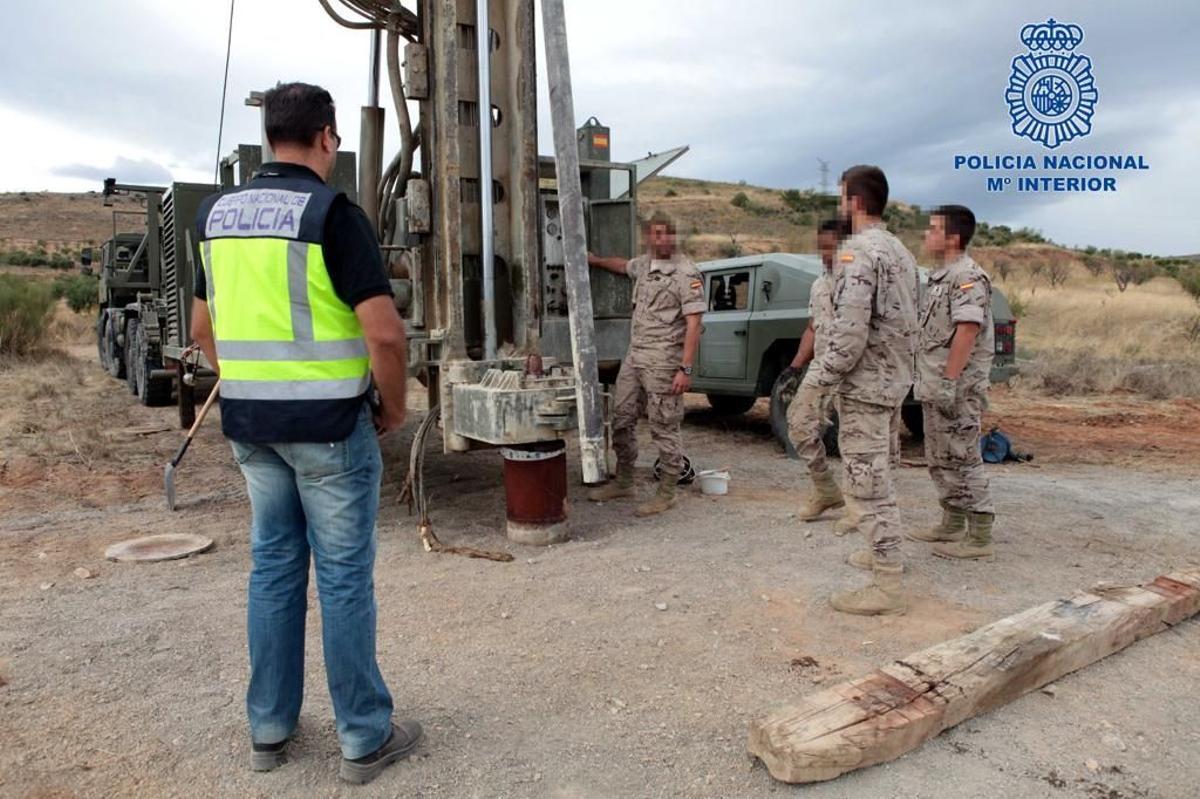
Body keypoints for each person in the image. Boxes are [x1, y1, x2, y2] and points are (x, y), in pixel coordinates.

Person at [190, 81, 421, 785]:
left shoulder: (215, 216)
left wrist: (260, 387)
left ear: (268, 138)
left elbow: (203, 331)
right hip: (329, 429)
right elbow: (383, 332)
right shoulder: (332, 213)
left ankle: (269, 727)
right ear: (326, 137)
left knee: (275, 569)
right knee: (345, 577)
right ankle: (362, 735)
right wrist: (393, 406)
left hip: (253, 428)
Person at [801, 165, 918, 616]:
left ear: (853, 201)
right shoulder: (900, 251)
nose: (839, 207)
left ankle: (886, 583)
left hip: (866, 384)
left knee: (867, 482)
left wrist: (819, 383)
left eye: (840, 198)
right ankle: (879, 551)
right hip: (892, 380)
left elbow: (849, 335)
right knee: (879, 473)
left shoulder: (857, 253)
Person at [585, 213, 705, 516]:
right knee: (622, 417)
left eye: (667, 233)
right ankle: (625, 480)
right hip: (635, 356)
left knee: (664, 426)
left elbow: (694, 325)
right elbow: (622, 265)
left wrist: (686, 369)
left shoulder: (686, 273)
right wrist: (595, 261)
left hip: (664, 362)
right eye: (656, 234)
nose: (662, 239)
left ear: (674, 237)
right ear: (649, 237)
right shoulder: (645, 265)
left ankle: (666, 492)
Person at [908, 205, 996, 559]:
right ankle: (952, 519)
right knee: (939, 455)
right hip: (935, 383)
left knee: (963, 455)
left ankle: (980, 535)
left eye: (932, 229)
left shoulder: (968, 276)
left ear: (953, 237)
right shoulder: (940, 277)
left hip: (956, 386)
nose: (926, 235)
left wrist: (950, 380)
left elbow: (967, 331)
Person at [785, 218, 850, 524]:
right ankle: (825, 488)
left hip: (853, 370)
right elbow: (813, 327)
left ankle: (860, 507)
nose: (825, 253)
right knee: (798, 422)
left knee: (855, 439)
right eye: (821, 247)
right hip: (822, 366)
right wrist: (796, 365)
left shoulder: (857, 280)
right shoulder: (819, 283)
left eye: (830, 247)